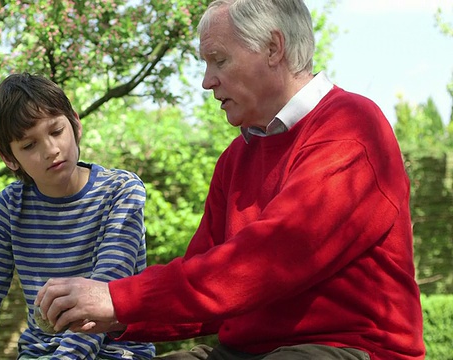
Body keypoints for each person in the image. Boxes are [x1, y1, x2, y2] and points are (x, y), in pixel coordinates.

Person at [35, 0, 426, 359]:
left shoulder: (351, 128)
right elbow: (206, 277)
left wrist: (119, 299)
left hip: (352, 347)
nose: (207, 81)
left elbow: (269, 258)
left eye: (218, 60)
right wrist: (119, 318)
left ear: (273, 48)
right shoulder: (236, 158)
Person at [0, 72, 156, 360]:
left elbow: (101, 297)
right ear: (10, 159)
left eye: (56, 131)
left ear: (75, 124)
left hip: (118, 353)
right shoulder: (9, 207)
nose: (51, 150)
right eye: (29, 146)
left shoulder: (121, 191)